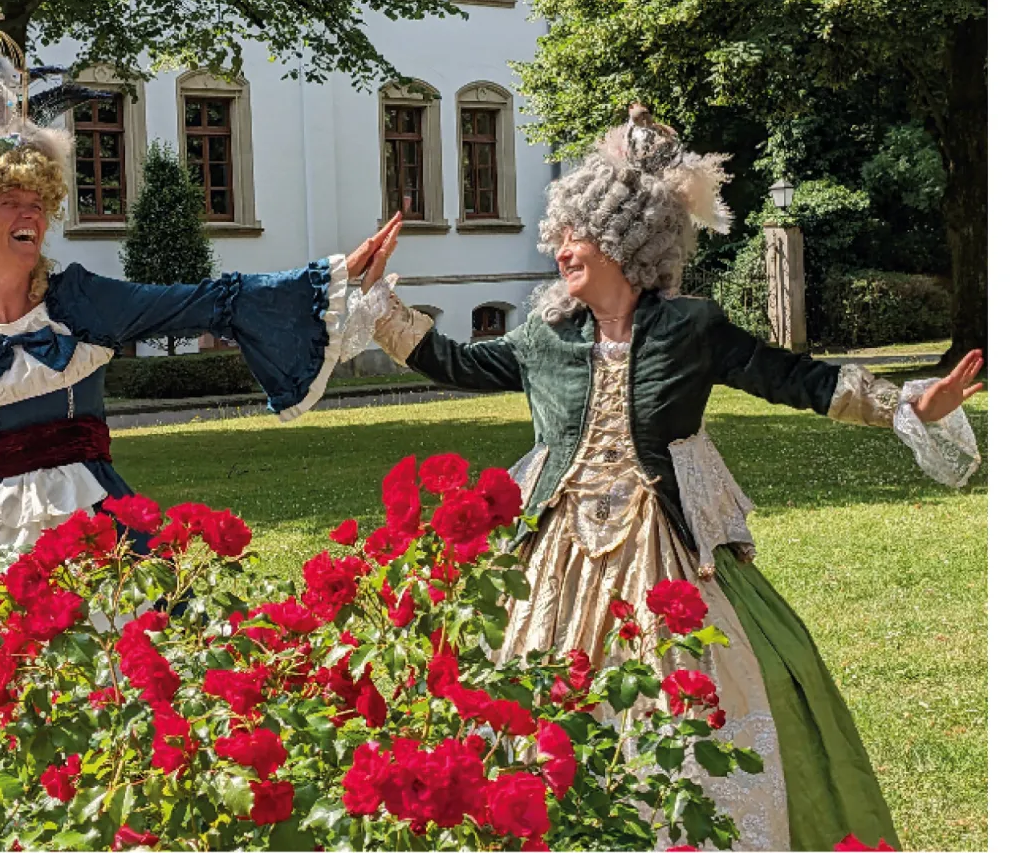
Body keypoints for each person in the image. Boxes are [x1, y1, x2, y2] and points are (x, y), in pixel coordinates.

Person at [364, 106, 982, 851]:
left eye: (576, 234)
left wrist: (908, 403)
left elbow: (796, 378)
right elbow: (455, 363)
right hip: (558, 559)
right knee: (541, 706)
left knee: (684, 714)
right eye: (559, 234)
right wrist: (378, 303)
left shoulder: (692, 328)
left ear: (627, 239)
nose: (561, 249)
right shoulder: (545, 337)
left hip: (672, 559)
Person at [0, 11, 405, 606]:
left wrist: (329, 276)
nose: (32, 215)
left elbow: (208, 300)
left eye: (38, 202)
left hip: (103, 532)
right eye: (9, 202)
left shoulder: (81, 300)